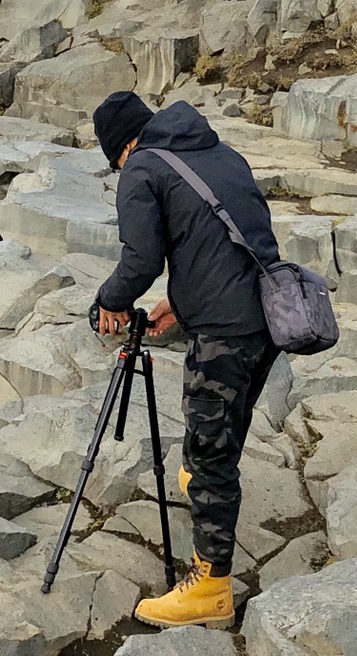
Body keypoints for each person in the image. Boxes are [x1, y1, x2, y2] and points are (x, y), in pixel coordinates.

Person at [91, 91, 282, 630]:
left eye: (115, 162)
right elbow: (235, 236)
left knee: (211, 451)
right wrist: (181, 300)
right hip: (266, 317)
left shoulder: (142, 167)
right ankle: (201, 482)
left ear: (121, 147)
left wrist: (110, 300)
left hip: (224, 331)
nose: (120, 170)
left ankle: (211, 587)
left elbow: (140, 259)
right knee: (223, 431)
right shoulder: (218, 151)